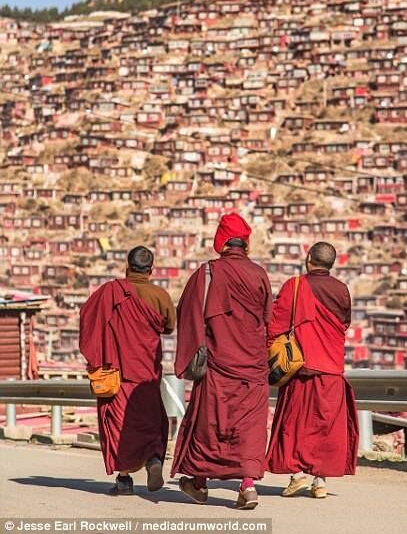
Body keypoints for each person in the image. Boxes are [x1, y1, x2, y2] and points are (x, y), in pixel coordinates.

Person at [171, 213, 272, 510]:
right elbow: (267, 319)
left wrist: (194, 350)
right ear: (246, 242)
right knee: (249, 427)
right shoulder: (259, 274)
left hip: (219, 362)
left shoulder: (208, 273)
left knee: (210, 423)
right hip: (253, 366)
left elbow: (187, 314)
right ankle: (248, 486)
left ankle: (199, 483)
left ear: (221, 240)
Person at [80, 245, 175, 495]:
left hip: (119, 372)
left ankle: (124, 481)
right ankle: (154, 460)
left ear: (127, 266)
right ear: (151, 270)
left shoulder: (111, 292)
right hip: (148, 372)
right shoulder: (160, 295)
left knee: (121, 425)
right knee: (151, 420)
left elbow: (88, 317)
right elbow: (169, 326)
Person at [265, 241, 359, 499]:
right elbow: (344, 323)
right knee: (324, 428)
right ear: (332, 264)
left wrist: (270, 354)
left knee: (295, 425)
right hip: (331, 370)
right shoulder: (342, 290)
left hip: (300, 368)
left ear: (308, 259)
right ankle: (320, 482)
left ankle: (297, 476)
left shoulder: (294, 286)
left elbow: (276, 326)